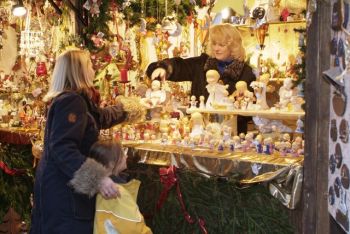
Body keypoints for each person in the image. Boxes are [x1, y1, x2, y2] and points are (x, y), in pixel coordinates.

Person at [30, 49, 144, 234]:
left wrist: (128, 109)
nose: (94, 69)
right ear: (79, 70)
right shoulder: (71, 101)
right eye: (90, 65)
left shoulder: (78, 100)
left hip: (64, 187)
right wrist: (97, 178)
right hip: (63, 192)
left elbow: (99, 117)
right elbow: (62, 148)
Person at [146, 23, 256, 133]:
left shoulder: (245, 72)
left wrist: (242, 102)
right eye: (214, 44)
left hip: (232, 135)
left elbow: (251, 111)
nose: (216, 49)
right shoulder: (202, 64)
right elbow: (179, 65)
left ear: (233, 46)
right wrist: (163, 67)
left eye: (221, 45)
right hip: (200, 133)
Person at [71, 139, 152, 234]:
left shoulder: (94, 189)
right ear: (111, 164)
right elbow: (132, 227)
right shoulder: (116, 191)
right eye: (122, 154)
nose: (126, 156)